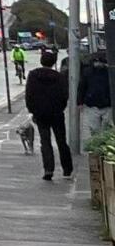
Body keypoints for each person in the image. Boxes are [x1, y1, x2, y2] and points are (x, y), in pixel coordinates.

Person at [24, 51, 72, 181]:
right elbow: (64, 95)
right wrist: (60, 108)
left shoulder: (33, 75)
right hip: (56, 112)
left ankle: (48, 169)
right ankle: (67, 169)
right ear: (54, 62)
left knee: (45, 141)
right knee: (61, 141)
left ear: (41, 61)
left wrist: (33, 110)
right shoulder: (59, 77)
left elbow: (29, 95)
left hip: (40, 113)